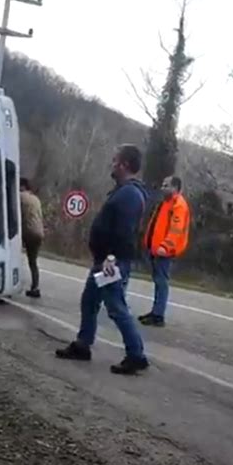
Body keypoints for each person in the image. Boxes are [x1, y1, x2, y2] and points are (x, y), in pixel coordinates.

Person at [56, 144, 149, 375]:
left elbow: (123, 232)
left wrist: (109, 258)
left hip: (111, 261)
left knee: (116, 307)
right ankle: (83, 345)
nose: (112, 163)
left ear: (124, 164)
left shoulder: (129, 194)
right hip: (104, 260)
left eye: (115, 160)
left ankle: (136, 354)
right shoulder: (122, 191)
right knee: (89, 301)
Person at [139, 176, 190, 327]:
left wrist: (166, 246)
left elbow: (176, 229)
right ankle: (156, 312)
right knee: (158, 281)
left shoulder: (178, 205)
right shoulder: (166, 203)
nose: (163, 188)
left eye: (166, 185)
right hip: (156, 249)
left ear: (175, 187)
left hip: (164, 251)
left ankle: (158, 315)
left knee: (161, 282)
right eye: (163, 184)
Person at [20, 178, 45, 298]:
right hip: (39, 232)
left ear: (22, 186)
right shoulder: (36, 199)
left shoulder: (20, 197)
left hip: (27, 231)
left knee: (13, 257)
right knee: (33, 262)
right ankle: (35, 287)